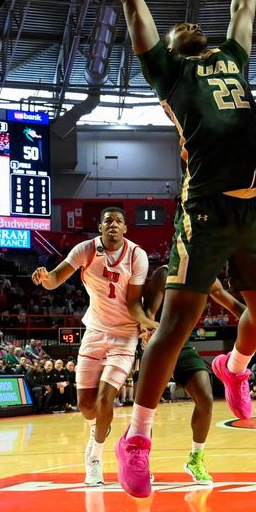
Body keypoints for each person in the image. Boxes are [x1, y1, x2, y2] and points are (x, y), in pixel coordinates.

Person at [84, 0, 256, 499]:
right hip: (205, 210)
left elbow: (243, 13)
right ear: (168, 50)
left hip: (255, 209)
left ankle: (236, 368)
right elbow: (133, 6)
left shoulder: (231, 58)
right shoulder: (168, 71)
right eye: (174, 29)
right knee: (175, 326)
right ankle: (138, 440)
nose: (184, 26)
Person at [31, 208, 152, 487]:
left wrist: (146, 323)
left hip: (124, 335)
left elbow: (135, 303)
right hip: (94, 331)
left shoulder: (137, 256)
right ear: (100, 227)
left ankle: (95, 458)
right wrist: (44, 277)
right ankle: (101, 433)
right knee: (86, 405)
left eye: (118, 221)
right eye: (107, 220)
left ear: (125, 229)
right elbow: (55, 279)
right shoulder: (85, 249)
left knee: (105, 399)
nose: (113, 224)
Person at [140, 267, 256, 485]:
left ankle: (196, 458)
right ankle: (141, 459)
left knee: (205, 397)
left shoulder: (204, 275)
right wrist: (147, 333)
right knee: (149, 405)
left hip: (183, 344)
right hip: (157, 342)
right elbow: (148, 312)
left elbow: (230, 302)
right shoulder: (164, 274)